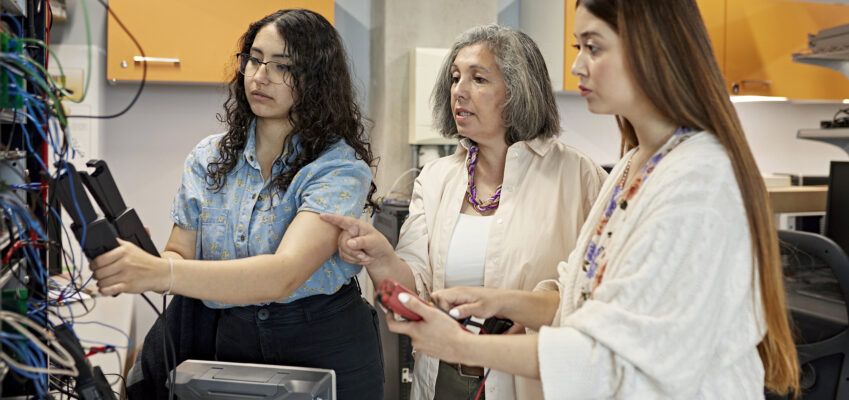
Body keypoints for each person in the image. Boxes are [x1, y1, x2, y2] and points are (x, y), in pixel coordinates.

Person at [381, 0, 801, 398]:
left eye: (593, 47)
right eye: (577, 47)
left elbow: (613, 357)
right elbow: (576, 295)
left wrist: (462, 346)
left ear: (651, 49)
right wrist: (497, 301)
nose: (577, 65)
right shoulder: (632, 165)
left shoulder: (697, 180)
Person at [90, 9, 384, 399]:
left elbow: (284, 275)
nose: (260, 76)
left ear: (317, 80)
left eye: (282, 66)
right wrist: (145, 261)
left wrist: (160, 273)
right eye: (255, 60)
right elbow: (180, 252)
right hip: (230, 335)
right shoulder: (208, 157)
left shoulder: (338, 168)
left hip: (322, 341)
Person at [322, 25, 607, 400]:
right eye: (455, 77)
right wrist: (380, 257)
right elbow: (415, 289)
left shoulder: (580, 177)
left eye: (479, 78)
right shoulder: (436, 177)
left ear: (518, 89)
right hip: (442, 379)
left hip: (530, 382)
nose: (459, 90)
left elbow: (593, 297)